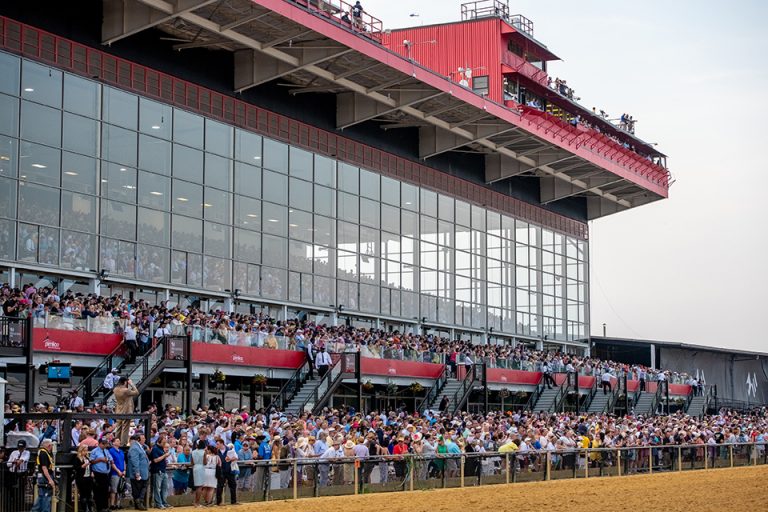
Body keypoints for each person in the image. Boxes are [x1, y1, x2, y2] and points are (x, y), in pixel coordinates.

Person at [30, 439, 56, 512]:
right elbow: (44, 467)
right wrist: (50, 479)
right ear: (49, 445)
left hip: (43, 476)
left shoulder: (42, 452)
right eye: (51, 445)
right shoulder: (43, 453)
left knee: (42, 496)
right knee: (46, 496)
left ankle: (34, 510)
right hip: (45, 477)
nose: (52, 447)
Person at [127, 434, 150, 511]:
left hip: (143, 472)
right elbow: (135, 461)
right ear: (138, 440)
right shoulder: (134, 448)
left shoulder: (140, 447)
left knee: (142, 487)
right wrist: (137, 472)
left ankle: (139, 503)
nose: (145, 439)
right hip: (139, 472)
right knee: (137, 488)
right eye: (143, 438)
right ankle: (138, 503)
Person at [90, 437, 113, 512]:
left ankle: (105, 507)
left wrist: (108, 460)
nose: (105, 445)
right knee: (98, 491)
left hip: (106, 474)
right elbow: (91, 461)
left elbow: (111, 459)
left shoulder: (106, 451)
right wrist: (100, 459)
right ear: (99, 443)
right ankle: (100, 508)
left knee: (105, 491)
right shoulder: (94, 451)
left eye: (105, 444)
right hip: (98, 474)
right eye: (103, 444)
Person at [6, 440, 31, 511]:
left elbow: (24, 459)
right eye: (19, 447)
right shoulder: (14, 453)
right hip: (13, 473)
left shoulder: (27, 452)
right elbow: (8, 464)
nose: (20, 449)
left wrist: (20, 461)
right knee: (12, 491)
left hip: (21, 473)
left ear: (24, 447)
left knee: (21, 491)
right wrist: (13, 462)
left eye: (22, 448)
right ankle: (12, 506)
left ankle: (20, 507)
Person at [113, 377, 139, 445]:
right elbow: (136, 392)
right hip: (126, 411)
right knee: (125, 428)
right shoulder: (125, 390)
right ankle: (123, 444)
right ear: (125, 382)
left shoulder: (115, 389)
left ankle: (116, 442)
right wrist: (131, 384)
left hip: (118, 410)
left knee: (118, 427)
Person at [149, 437, 172, 509]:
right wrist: (165, 455)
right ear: (159, 441)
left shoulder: (161, 448)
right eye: (163, 443)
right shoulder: (155, 448)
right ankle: (158, 504)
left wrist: (165, 459)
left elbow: (161, 459)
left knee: (164, 488)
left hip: (163, 470)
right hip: (157, 471)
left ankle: (164, 502)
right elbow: (155, 460)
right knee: (157, 488)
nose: (164, 444)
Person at [215, 439, 237, 505]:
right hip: (221, 471)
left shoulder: (230, 450)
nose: (217, 445)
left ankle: (233, 501)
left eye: (218, 444)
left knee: (233, 485)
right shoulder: (216, 451)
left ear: (222, 443)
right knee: (220, 486)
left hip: (229, 470)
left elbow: (236, 457)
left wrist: (230, 459)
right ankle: (218, 502)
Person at [74, 444, 95, 512]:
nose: (86, 452)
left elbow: (90, 467)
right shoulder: (77, 458)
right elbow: (77, 468)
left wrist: (92, 472)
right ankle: (85, 509)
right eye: (84, 450)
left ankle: (90, 508)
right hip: (81, 479)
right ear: (81, 451)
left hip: (88, 478)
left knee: (89, 495)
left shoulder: (87, 458)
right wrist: (84, 465)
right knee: (83, 495)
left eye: (86, 450)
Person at [109, 437, 127, 510]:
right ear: (113, 443)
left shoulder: (121, 451)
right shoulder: (111, 451)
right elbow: (112, 462)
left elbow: (124, 461)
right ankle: (112, 504)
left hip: (122, 472)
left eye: (119, 441)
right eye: (117, 441)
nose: (119, 442)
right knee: (114, 490)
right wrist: (118, 471)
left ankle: (118, 504)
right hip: (115, 472)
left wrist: (124, 470)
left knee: (120, 488)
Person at [191, 440, 207, 507]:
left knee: (198, 486)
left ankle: (196, 502)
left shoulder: (193, 452)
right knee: (200, 487)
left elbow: (192, 463)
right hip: (201, 468)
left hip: (195, 468)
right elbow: (205, 462)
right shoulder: (204, 452)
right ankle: (197, 503)